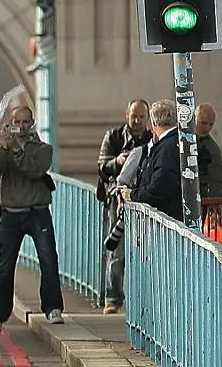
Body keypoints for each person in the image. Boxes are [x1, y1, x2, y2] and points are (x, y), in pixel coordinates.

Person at [0, 105, 64, 337]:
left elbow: (34, 169)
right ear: (10, 123)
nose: (20, 127)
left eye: (25, 122)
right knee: (4, 267)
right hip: (10, 213)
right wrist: (6, 147)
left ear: (32, 123)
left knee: (48, 259)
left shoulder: (42, 149)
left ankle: (53, 307)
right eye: (16, 122)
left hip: (37, 212)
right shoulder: (3, 148)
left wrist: (18, 150)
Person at [96, 99, 150, 314]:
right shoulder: (113, 137)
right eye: (133, 115)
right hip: (116, 200)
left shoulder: (151, 139)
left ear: (147, 118)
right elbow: (101, 167)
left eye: (141, 117)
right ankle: (113, 298)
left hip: (143, 199)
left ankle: (141, 302)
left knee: (145, 252)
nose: (136, 121)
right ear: (126, 113)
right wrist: (117, 162)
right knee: (116, 250)